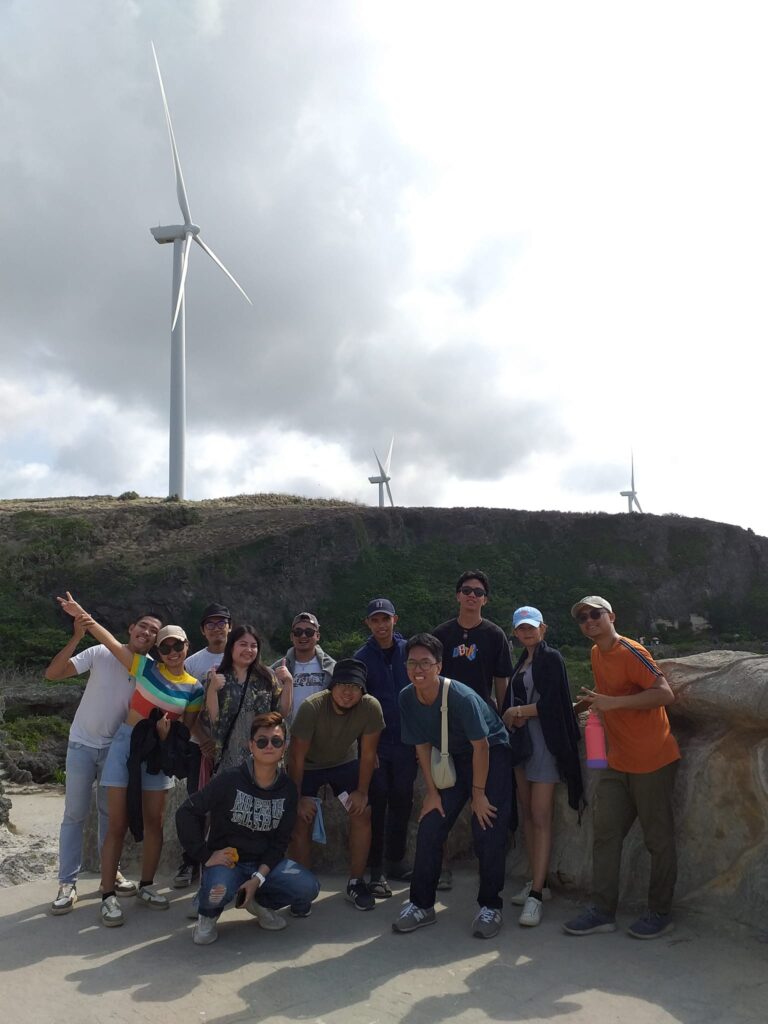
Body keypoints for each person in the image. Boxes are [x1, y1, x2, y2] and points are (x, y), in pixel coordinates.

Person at [56, 592, 204, 928]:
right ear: (158, 650)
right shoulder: (144, 668)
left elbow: (188, 729)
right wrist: (82, 614)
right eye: (164, 647)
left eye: (176, 646)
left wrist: (172, 732)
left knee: (154, 822)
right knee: (116, 825)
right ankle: (107, 896)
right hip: (125, 746)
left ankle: (147, 886)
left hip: (158, 753)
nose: (170, 652)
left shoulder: (194, 687)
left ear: (186, 647)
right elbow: (106, 640)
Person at [563, 596, 680, 940]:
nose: (589, 621)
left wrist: (615, 704)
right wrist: (580, 706)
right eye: (582, 617)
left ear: (611, 616)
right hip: (618, 761)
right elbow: (607, 692)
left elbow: (664, 694)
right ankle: (602, 911)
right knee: (606, 835)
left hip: (652, 759)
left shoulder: (630, 651)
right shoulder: (597, 653)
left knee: (658, 840)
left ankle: (659, 912)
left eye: (595, 614)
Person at [392, 633, 513, 940]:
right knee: (431, 825)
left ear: (439, 665)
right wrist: (432, 794)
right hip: (452, 756)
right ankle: (421, 905)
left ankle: (490, 906)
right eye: (412, 662)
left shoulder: (461, 697)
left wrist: (478, 795)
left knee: (486, 826)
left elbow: (482, 746)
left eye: (426, 663)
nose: (418, 669)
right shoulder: (407, 697)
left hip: (490, 753)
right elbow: (420, 747)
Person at [45, 610, 162, 915]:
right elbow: (53, 674)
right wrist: (76, 637)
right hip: (81, 745)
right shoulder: (99, 652)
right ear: (131, 628)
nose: (147, 633)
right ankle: (67, 883)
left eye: (153, 631)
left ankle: (110, 875)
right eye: (143, 626)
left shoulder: (148, 670)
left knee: (111, 817)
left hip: (115, 751)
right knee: (74, 815)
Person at [176, 712, 320, 945]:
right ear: (251, 745)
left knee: (308, 887)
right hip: (228, 861)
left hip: (263, 864)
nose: (269, 746)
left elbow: (280, 843)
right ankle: (208, 914)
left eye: (276, 741)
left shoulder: (288, 790)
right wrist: (204, 855)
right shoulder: (229, 780)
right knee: (217, 890)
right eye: (262, 741)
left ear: (284, 746)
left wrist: (257, 879)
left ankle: (259, 902)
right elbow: (186, 812)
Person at [501, 606, 584, 927]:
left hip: (546, 746)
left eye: (531, 628)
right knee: (527, 815)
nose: (527, 633)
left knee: (540, 816)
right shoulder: (523, 661)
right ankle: (539, 883)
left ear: (543, 628)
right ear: (515, 632)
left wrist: (517, 712)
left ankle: (535, 894)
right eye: (521, 629)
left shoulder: (552, 659)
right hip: (522, 746)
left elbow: (555, 704)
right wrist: (512, 715)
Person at [431, 570, 513, 890]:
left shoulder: (494, 636)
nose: (472, 596)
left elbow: (502, 680)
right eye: (466, 590)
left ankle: (488, 873)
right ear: (457, 595)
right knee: (441, 806)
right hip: (447, 729)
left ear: (485, 599)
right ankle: (441, 868)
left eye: (478, 592)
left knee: (487, 809)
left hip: (484, 731)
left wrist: (504, 715)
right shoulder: (441, 635)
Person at [287, 659, 385, 911]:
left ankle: (355, 881)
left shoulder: (370, 707)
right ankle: (301, 888)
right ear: (331, 686)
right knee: (300, 819)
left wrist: (361, 792)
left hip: (342, 763)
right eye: (341, 685)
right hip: (307, 766)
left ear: (363, 689)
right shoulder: (312, 707)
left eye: (354, 686)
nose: (347, 692)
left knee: (361, 813)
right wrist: (297, 798)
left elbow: (367, 753)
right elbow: (296, 758)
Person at [353, 598, 417, 896]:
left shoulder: (409, 652)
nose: (381, 625)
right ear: (368, 623)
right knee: (378, 803)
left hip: (406, 741)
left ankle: (395, 861)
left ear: (395, 620)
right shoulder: (362, 657)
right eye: (375, 620)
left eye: (385, 619)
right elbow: (356, 705)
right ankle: (376, 870)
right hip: (376, 744)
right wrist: (365, 748)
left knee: (403, 801)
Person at [173, 602, 232, 889]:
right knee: (196, 803)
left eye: (222, 623)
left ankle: (225, 859)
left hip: (232, 747)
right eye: (211, 624)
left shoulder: (240, 655)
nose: (217, 628)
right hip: (200, 746)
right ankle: (190, 859)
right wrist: (204, 738)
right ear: (202, 630)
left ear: (230, 627)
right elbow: (186, 708)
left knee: (229, 805)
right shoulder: (193, 663)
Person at [204, 624, 292, 773]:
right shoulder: (216, 676)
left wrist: (289, 682)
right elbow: (213, 720)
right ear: (231, 647)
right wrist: (213, 689)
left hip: (264, 752)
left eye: (253, 646)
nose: (249, 650)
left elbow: (282, 713)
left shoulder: (267, 677)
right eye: (243, 644)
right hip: (229, 756)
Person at [271, 612, 334, 719]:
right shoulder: (276, 669)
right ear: (292, 636)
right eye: (298, 632)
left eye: (309, 632)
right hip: (288, 733)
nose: (303, 636)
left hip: (320, 733)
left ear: (317, 636)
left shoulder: (332, 668)